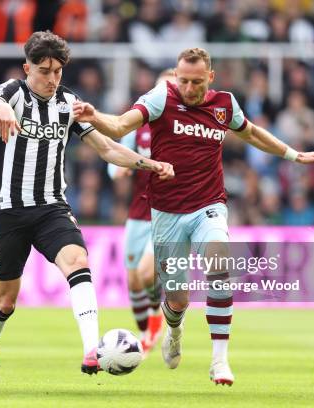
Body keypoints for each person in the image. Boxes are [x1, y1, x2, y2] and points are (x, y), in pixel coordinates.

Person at [73, 47, 314, 386]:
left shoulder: (224, 105)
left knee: (218, 264)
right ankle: (173, 330)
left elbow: (252, 133)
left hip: (209, 205)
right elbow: (120, 125)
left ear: (210, 78)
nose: (188, 87)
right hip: (166, 212)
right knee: (177, 298)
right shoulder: (162, 97)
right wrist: (94, 116)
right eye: (183, 80)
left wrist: (293, 154)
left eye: (196, 82)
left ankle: (219, 361)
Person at [0, 31, 174, 389]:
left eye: (58, 71)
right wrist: (0, 106)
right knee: (5, 300)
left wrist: (149, 164)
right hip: (9, 211)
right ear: (27, 68)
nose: (52, 79)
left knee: (78, 262)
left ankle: (91, 350)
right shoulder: (12, 92)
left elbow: (108, 149)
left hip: (52, 207)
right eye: (44, 71)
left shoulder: (68, 103)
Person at [107, 68, 175, 354]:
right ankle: (145, 333)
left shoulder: (180, 131)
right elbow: (115, 162)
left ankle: (155, 322)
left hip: (166, 212)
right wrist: (120, 169)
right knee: (134, 279)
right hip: (137, 211)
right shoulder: (140, 127)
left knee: (148, 273)